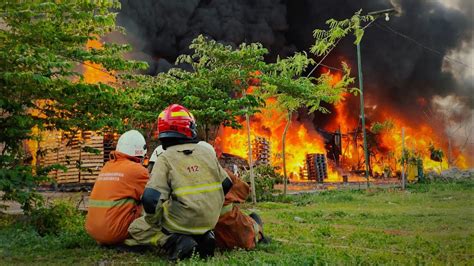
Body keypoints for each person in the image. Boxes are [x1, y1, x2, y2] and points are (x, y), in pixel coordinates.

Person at [125, 104, 233, 261]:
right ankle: (204, 237)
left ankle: (176, 241)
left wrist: (153, 221)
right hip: (210, 221)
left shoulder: (165, 158)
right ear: (189, 128)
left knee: (136, 228)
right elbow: (227, 184)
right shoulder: (206, 152)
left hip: (180, 223)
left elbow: (150, 199)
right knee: (187, 220)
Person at [85, 130, 149, 245]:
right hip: (115, 233)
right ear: (140, 151)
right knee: (151, 199)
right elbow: (156, 195)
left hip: (94, 232)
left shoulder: (108, 166)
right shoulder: (137, 170)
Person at [215, 169, 269, 250]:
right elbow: (245, 191)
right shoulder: (222, 172)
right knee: (254, 216)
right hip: (239, 237)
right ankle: (259, 236)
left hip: (211, 236)